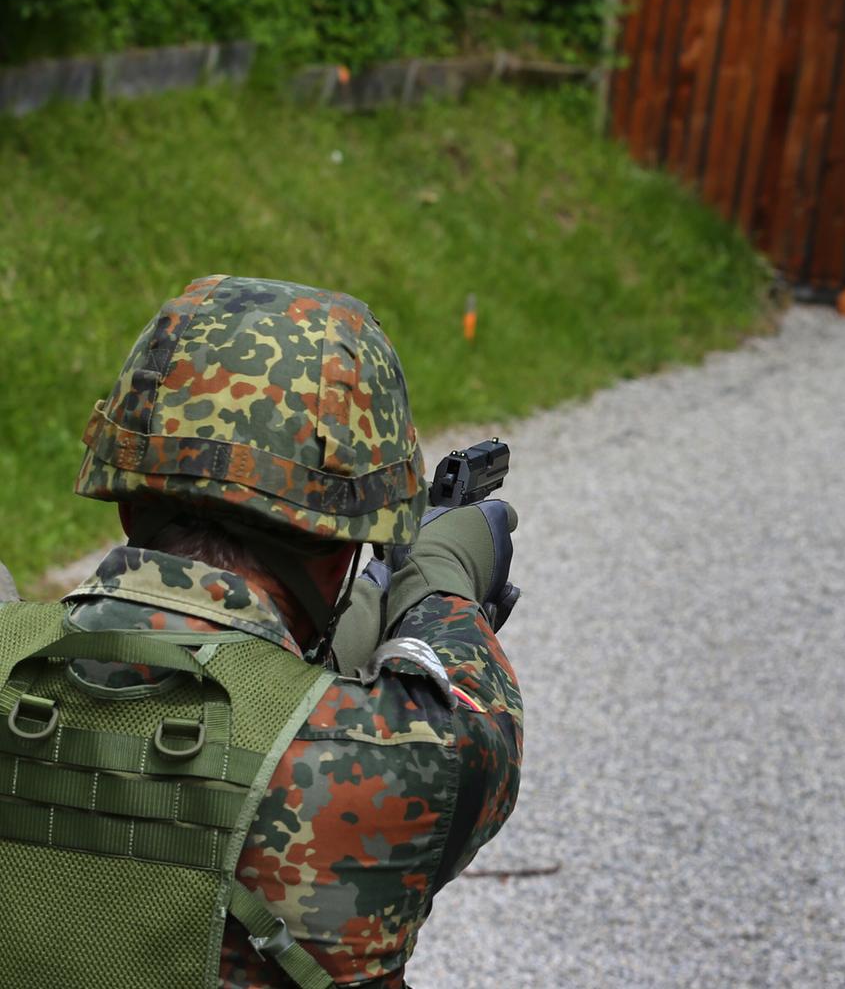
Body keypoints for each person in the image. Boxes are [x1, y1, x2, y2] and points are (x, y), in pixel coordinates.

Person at [0, 275, 523, 987]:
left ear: (127, 501)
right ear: (342, 550)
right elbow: (474, 709)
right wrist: (437, 569)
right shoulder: (408, 760)